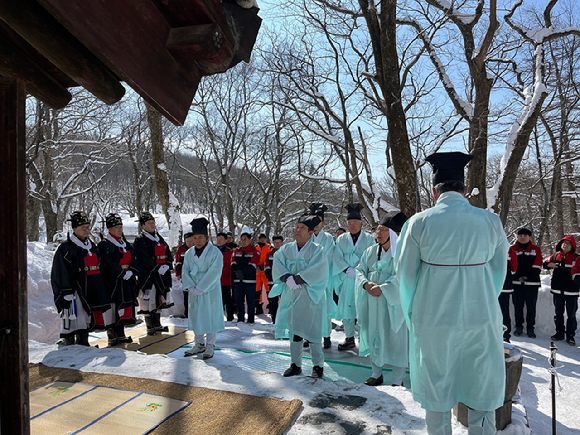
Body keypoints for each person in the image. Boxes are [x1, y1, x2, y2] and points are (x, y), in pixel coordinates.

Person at [395, 152, 508, 435]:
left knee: (437, 392)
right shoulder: (490, 221)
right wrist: (482, 299)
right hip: (480, 318)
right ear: (465, 188)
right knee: (481, 388)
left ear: (434, 191)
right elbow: (497, 273)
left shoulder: (418, 223)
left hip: (434, 320)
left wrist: (413, 316)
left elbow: (406, 277)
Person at [270, 215, 329, 378]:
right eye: (296, 227)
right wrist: (287, 278)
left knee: (313, 332)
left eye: (302, 228)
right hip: (291, 295)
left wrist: (297, 278)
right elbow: (278, 261)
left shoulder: (318, 250)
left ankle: (318, 366)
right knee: (294, 331)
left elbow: (320, 270)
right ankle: (295, 364)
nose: (297, 230)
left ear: (311, 233)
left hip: (310, 297)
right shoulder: (286, 248)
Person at [356, 211, 408, 387]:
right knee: (374, 334)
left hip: (393, 305)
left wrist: (383, 289)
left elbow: (404, 276)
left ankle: (397, 379)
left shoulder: (402, 252)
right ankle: (376, 373)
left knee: (396, 337)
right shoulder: (370, 251)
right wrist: (365, 284)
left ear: (394, 233)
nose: (378, 232)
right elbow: (359, 270)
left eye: (384, 229)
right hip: (373, 302)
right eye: (378, 229)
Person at [51, 211, 111, 346]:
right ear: (74, 229)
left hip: (91, 286)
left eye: (88, 227)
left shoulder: (92, 246)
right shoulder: (66, 248)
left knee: (87, 317)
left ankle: (84, 343)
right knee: (75, 318)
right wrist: (65, 290)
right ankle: (70, 345)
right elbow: (60, 271)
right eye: (83, 228)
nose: (87, 230)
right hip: (75, 289)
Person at [331, 204, 375, 350]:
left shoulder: (369, 239)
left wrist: (358, 270)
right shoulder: (341, 239)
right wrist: (346, 269)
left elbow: (372, 256)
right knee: (347, 309)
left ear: (361, 224)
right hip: (347, 278)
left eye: (355, 223)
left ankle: (365, 339)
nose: (352, 226)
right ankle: (349, 338)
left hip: (362, 278)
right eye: (350, 223)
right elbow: (336, 257)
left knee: (363, 309)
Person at [182, 218, 225, 359]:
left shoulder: (215, 252)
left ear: (206, 238)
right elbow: (185, 270)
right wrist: (191, 286)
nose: (198, 240)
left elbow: (215, 271)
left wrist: (202, 287)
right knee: (196, 316)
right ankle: (198, 343)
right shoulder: (189, 253)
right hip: (194, 289)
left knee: (210, 315)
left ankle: (210, 345)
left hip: (209, 290)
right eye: (195, 238)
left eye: (200, 237)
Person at [97, 212, 139, 346]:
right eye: (117, 227)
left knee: (125, 305)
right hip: (112, 281)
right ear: (109, 229)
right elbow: (107, 263)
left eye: (121, 227)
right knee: (113, 307)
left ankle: (121, 333)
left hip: (127, 279)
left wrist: (132, 270)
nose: (120, 230)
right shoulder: (104, 245)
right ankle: (111, 334)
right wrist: (120, 273)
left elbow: (134, 258)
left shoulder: (125, 243)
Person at [133, 211, 174, 336]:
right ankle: (149, 325)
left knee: (159, 298)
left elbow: (168, 252)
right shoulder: (140, 240)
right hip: (149, 275)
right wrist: (156, 268)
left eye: (153, 222)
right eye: (149, 223)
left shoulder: (159, 238)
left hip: (162, 274)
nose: (152, 225)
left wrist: (167, 264)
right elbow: (143, 258)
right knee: (148, 300)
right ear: (143, 225)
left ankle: (157, 323)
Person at [309, 203, 336, 349]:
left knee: (325, 308)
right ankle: (309, 335)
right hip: (309, 280)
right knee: (309, 307)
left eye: (319, 220)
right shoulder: (307, 237)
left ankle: (326, 336)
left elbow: (329, 257)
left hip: (324, 278)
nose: (316, 223)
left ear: (323, 222)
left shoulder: (329, 238)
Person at [544, 236, 578, 346]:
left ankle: (570, 336)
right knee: (558, 314)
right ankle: (559, 333)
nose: (565, 245)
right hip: (557, 290)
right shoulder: (555, 256)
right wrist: (550, 265)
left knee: (571, 315)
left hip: (572, 292)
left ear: (572, 246)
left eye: (568, 243)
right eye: (564, 243)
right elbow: (545, 264)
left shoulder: (577, 258)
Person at [511, 228, 542, 338]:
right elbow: (511, 264)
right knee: (518, 306)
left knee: (531, 307)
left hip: (532, 284)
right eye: (520, 235)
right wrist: (517, 276)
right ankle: (519, 326)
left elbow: (538, 264)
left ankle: (530, 328)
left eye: (525, 235)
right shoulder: (512, 249)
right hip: (517, 283)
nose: (522, 237)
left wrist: (529, 277)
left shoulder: (536, 249)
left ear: (530, 237)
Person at [231, 231, 259, 324]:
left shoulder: (255, 251)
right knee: (239, 302)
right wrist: (237, 272)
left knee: (251, 302)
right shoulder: (236, 251)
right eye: (242, 240)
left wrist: (242, 272)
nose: (243, 241)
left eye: (245, 239)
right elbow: (233, 263)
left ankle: (251, 320)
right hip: (238, 281)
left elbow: (253, 265)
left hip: (250, 282)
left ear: (250, 240)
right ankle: (240, 320)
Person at [499, 246, 518, 342]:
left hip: (499, 287)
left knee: (502, 311)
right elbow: (513, 269)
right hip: (502, 285)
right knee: (504, 311)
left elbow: (514, 269)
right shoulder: (509, 250)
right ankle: (505, 335)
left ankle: (505, 334)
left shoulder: (510, 251)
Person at [174, 232, 194, 319]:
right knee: (186, 295)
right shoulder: (181, 249)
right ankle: (187, 313)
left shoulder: (198, 248)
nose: (189, 243)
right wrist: (178, 273)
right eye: (187, 241)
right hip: (185, 276)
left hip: (195, 276)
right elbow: (177, 262)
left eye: (191, 241)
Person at [216, 232, 235, 322]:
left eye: (221, 239)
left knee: (227, 299)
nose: (219, 241)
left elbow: (228, 266)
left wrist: (218, 274)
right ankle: (217, 317)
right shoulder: (212, 251)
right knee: (216, 300)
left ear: (225, 240)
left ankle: (230, 317)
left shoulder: (229, 252)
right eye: (218, 239)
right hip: (213, 281)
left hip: (225, 280)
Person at [265, 235, 284, 323]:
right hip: (272, 281)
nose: (277, 244)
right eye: (275, 242)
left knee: (285, 301)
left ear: (282, 243)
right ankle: (274, 320)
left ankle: (284, 320)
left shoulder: (286, 253)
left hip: (284, 282)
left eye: (278, 242)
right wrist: (271, 276)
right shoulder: (269, 254)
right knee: (273, 302)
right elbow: (267, 267)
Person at [255, 233, 271, 315]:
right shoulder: (255, 248)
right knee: (257, 290)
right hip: (257, 272)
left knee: (268, 288)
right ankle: (258, 306)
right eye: (260, 239)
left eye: (263, 239)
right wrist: (257, 266)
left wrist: (263, 266)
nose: (262, 240)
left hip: (265, 272)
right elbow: (253, 258)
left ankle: (271, 306)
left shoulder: (269, 248)